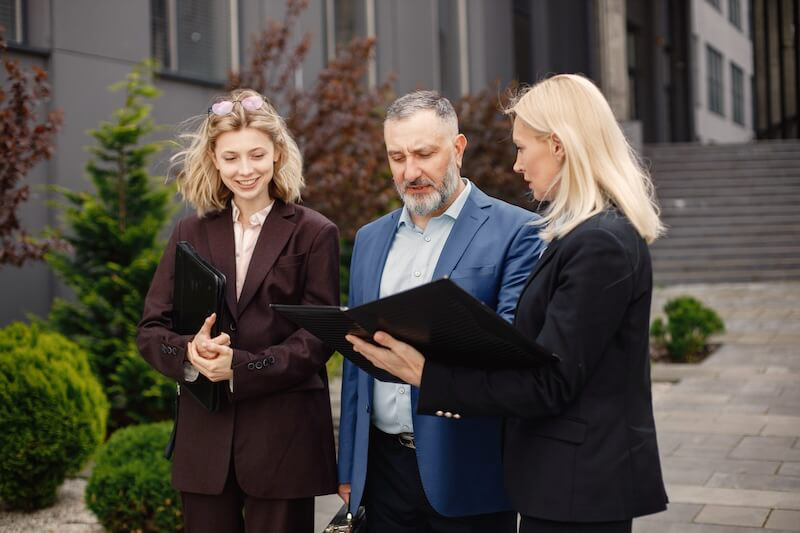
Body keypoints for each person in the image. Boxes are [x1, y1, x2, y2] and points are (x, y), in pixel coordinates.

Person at [348, 74, 669, 532]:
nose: (517, 165)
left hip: (577, 486)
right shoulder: (582, 234)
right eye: (396, 156)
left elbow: (549, 382)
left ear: (557, 144)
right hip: (560, 481)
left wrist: (425, 375)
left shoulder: (598, 242)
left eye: (521, 147)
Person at [337, 90, 545, 533]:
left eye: (424, 154)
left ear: (458, 148)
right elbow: (357, 368)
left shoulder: (518, 232)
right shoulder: (370, 239)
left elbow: (511, 353)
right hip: (382, 473)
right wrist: (349, 467)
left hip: (470, 471)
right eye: (397, 157)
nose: (410, 171)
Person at [137, 88, 339, 533]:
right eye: (231, 158)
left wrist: (241, 367)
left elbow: (319, 337)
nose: (244, 170)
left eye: (256, 155)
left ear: (277, 153)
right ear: (213, 157)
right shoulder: (188, 231)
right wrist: (190, 352)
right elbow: (151, 330)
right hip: (204, 442)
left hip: (284, 441)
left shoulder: (315, 233)